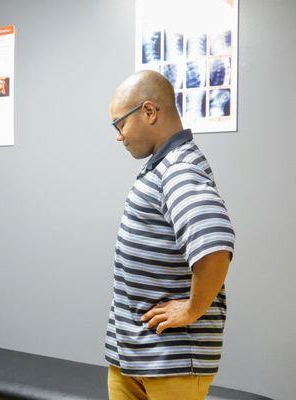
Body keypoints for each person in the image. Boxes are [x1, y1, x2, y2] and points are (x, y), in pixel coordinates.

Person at [105, 70, 234, 400]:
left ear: (149, 112)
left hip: (168, 360)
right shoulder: (163, 166)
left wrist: (192, 309)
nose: (119, 136)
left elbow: (214, 245)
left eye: (120, 124)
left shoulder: (179, 167)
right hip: (135, 355)